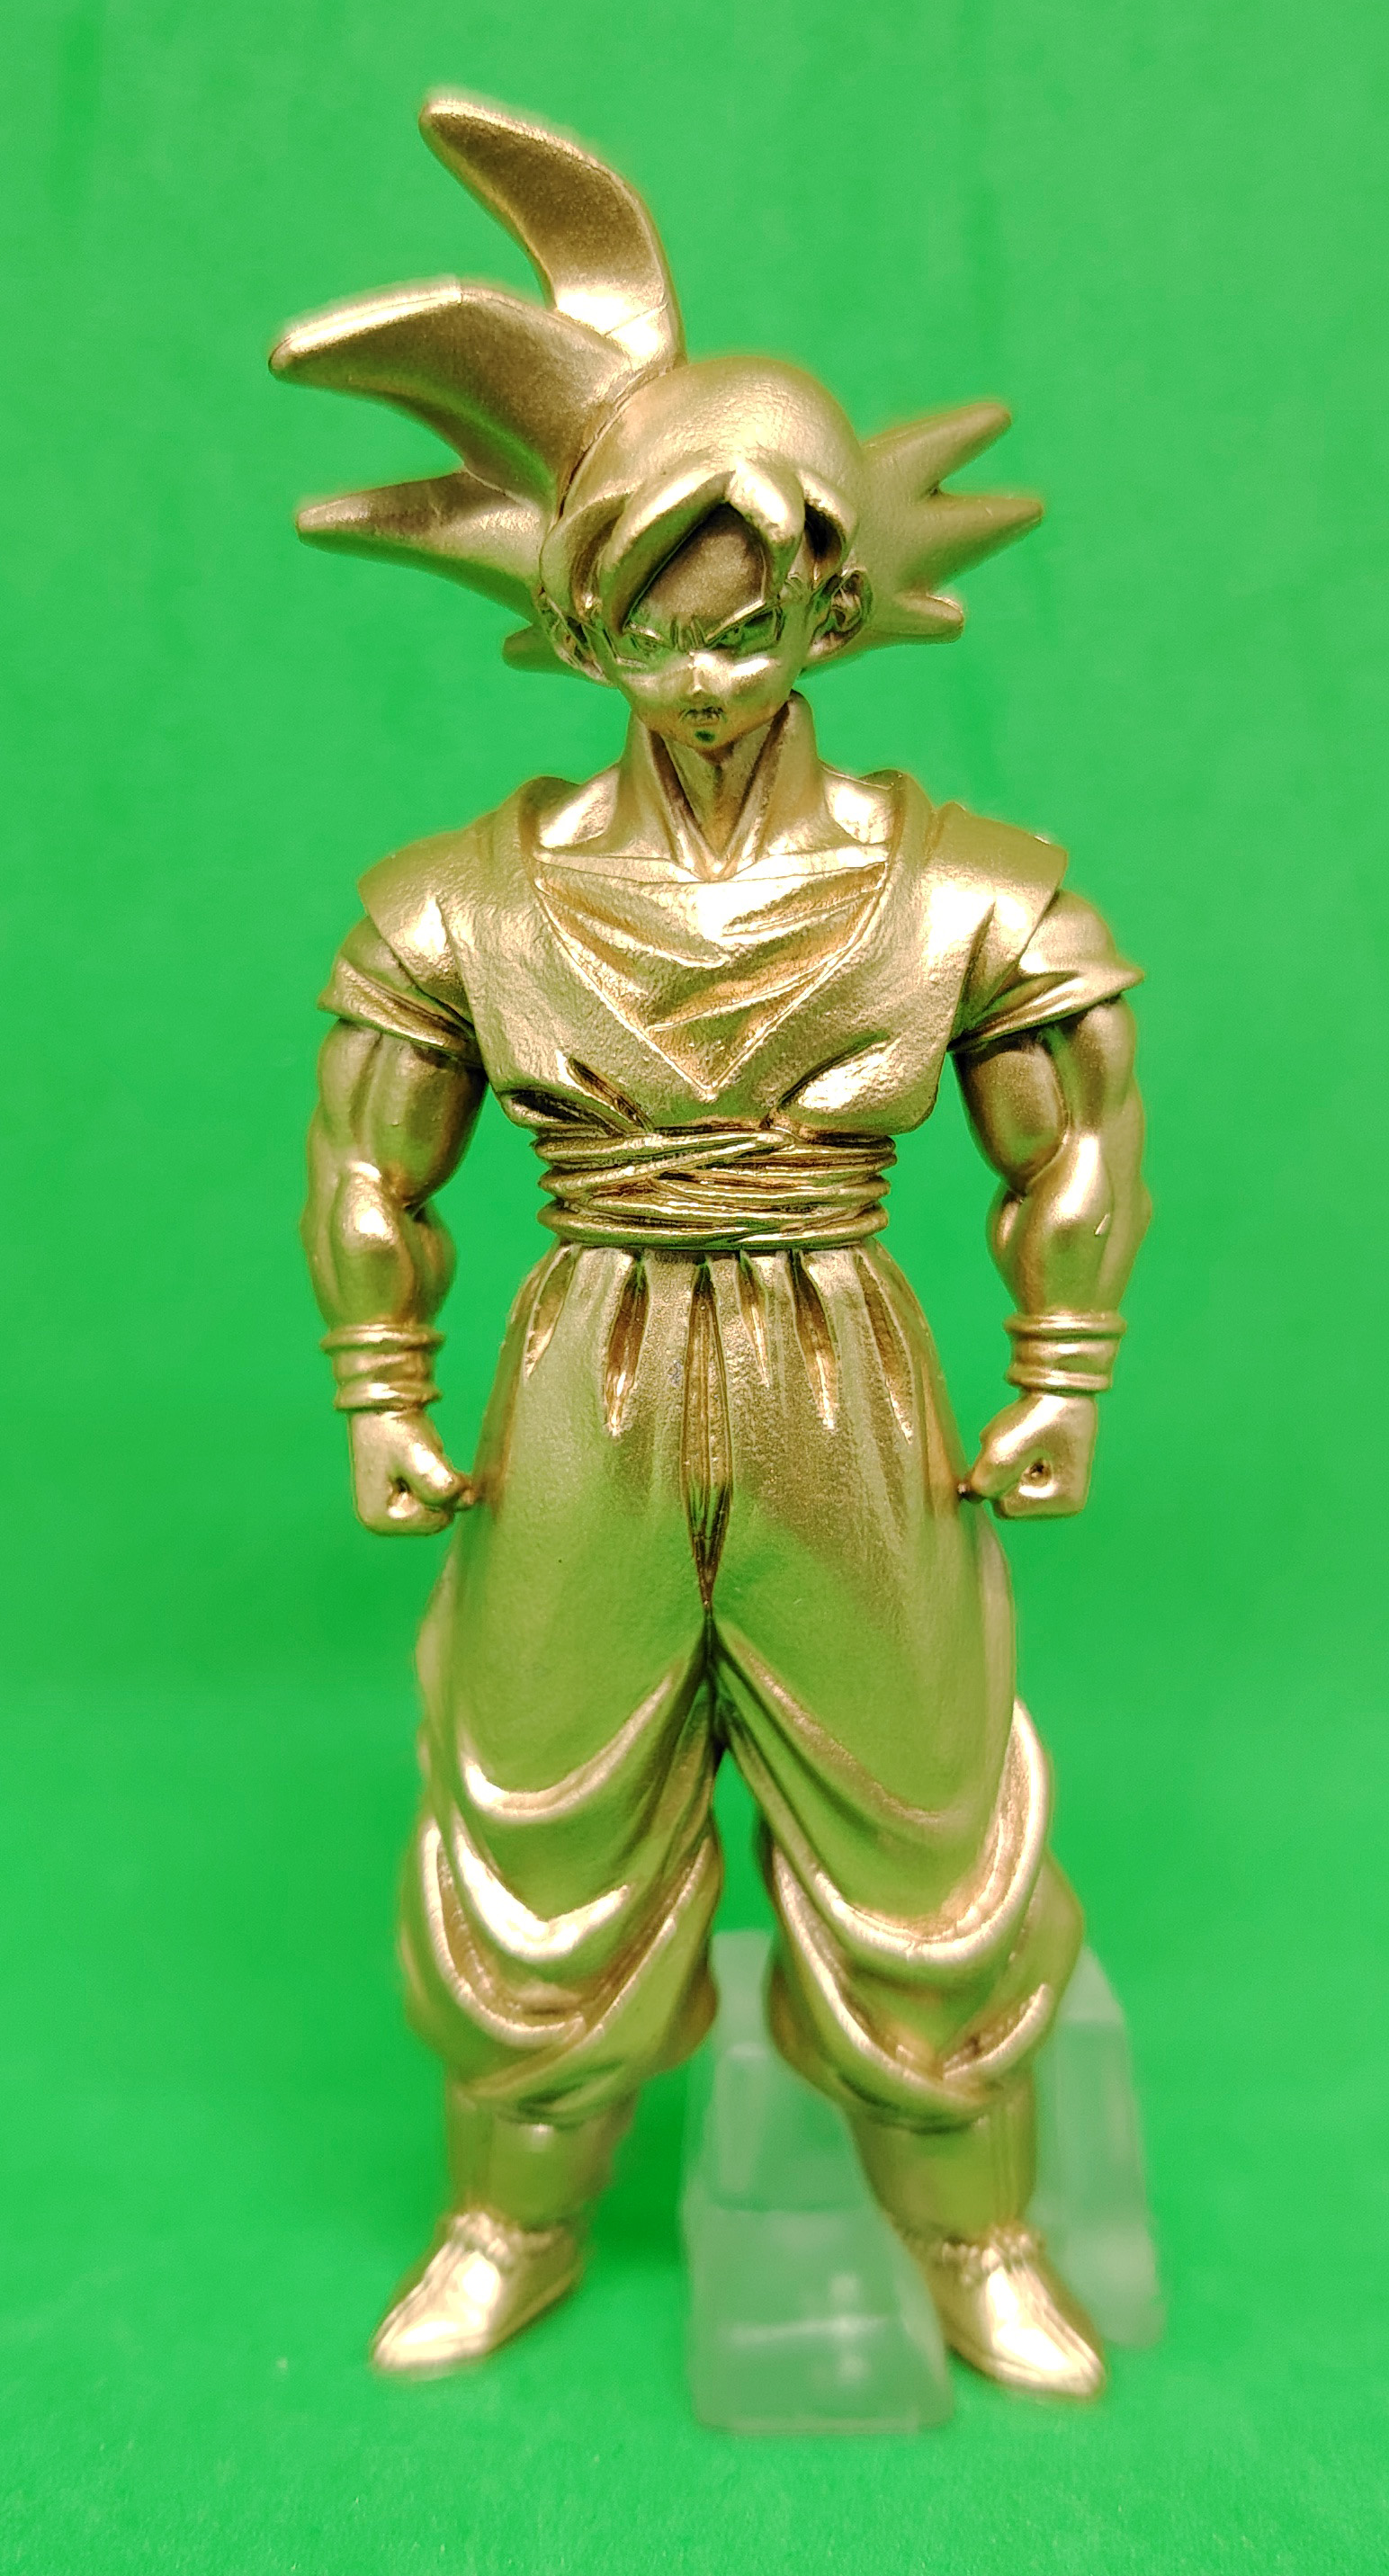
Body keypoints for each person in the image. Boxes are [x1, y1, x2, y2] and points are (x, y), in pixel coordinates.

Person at [274, 92, 1149, 2401]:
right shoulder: (461, 897)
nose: (703, 658)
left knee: (919, 1816)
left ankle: (973, 2236)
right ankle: (509, 2215)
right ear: (573, 615)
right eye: (651, 611)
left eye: (750, 605)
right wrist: (379, 1389)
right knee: (532, 1809)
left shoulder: (966, 886)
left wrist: (1062, 1368)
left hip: (848, 1370)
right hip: (583, 1373)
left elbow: (1071, 1127)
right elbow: (369, 1158)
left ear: (832, 601)